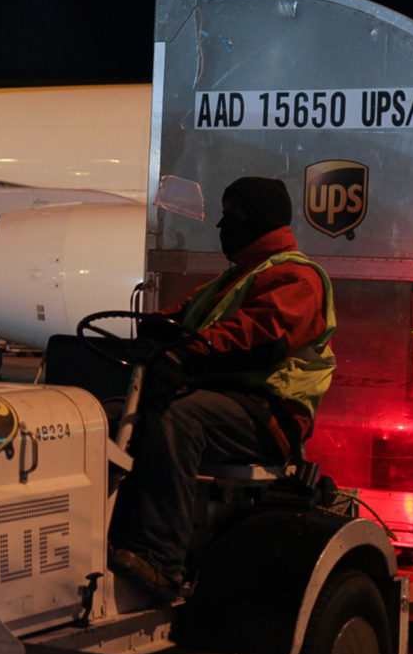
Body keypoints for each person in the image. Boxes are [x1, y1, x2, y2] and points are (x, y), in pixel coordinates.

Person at [107, 176, 336, 605]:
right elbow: (191, 318)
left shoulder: (297, 278)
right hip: (229, 401)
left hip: (267, 413)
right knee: (110, 414)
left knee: (178, 420)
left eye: (232, 217)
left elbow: (260, 335)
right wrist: (159, 328)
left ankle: (159, 561)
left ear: (258, 222)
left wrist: (189, 354)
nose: (220, 227)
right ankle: (102, 538)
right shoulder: (237, 278)